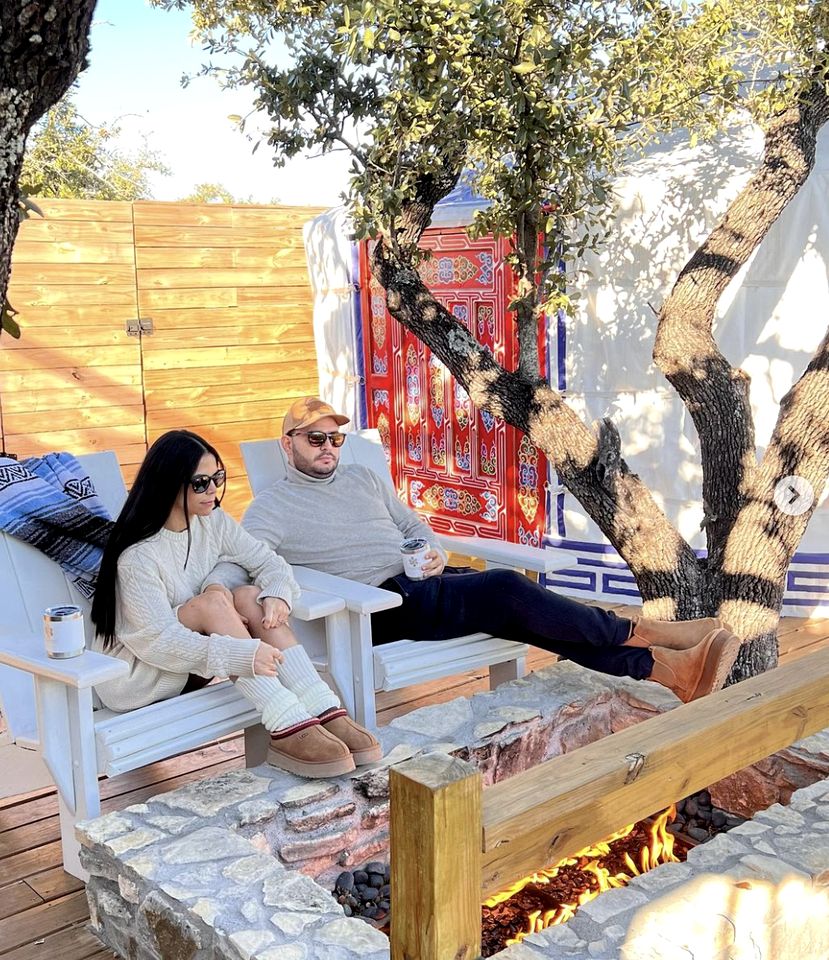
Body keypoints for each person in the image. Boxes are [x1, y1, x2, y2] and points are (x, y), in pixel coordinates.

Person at [209, 398, 742, 704]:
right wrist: (242, 595)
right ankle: (644, 631)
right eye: (315, 440)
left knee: (530, 620)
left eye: (335, 439)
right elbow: (235, 566)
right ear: (288, 444)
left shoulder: (362, 481)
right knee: (509, 587)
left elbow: (412, 524)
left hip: (423, 582)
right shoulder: (270, 509)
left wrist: (429, 548)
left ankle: (669, 673)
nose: (329, 449)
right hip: (376, 607)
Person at [89, 429, 381, 779]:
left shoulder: (211, 522)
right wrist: (242, 654)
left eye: (218, 477)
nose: (213, 490)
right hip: (137, 678)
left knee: (247, 596)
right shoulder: (138, 558)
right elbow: (157, 641)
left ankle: (320, 705)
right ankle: (286, 721)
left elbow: (268, 561)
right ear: (168, 484)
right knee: (212, 602)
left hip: (188, 666)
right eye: (200, 483)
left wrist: (276, 592)